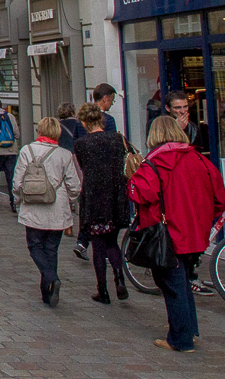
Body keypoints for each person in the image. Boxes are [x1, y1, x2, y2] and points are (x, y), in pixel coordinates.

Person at [127, 116, 225, 352]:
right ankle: (188, 328)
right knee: (183, 281)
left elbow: (141, 195)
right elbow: (219, 199)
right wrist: (203, 219)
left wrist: (131, 177)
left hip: (168, 234)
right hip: (195, 233)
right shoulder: (199, 159)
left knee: (172, 285)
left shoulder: (154, 162)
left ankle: (180, 339)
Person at [12, 117, 81, 307]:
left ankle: (51, 278)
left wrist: (18, 200)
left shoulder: (27, 150)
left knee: (34, 246)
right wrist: (70, 201)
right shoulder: (65, 154)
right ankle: (48, 292)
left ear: (39, 131)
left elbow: (18, 182)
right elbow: (74, 186)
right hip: (57, 208)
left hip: (33, 206)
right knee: (51, 249)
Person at [74, 102, 131, 304]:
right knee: (112, 242)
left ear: (83, 121)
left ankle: (103, 290)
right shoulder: (117, 139)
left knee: (98, 246)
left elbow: (83, 168)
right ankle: (119, 279)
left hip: (95, 197)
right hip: (116, 196)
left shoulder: (81, 144)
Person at [162, 90, 209, 156]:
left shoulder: (193, 127)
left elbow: (198, 151)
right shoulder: (159, 124)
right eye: (177, 108)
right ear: (168, 108)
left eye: (185, 107)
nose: (183, 111)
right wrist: (177, 129)